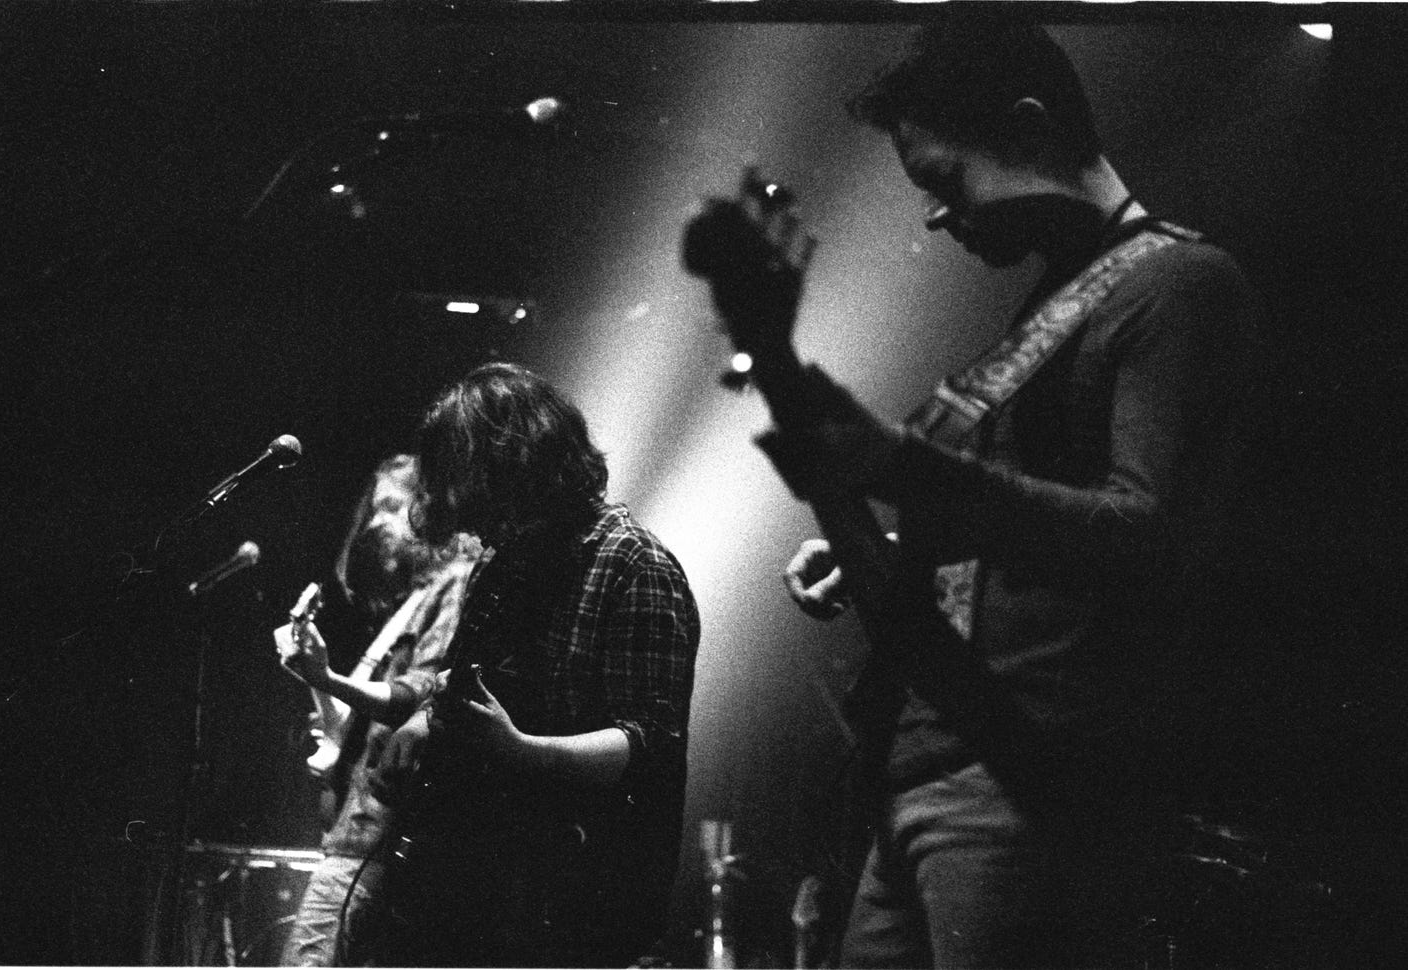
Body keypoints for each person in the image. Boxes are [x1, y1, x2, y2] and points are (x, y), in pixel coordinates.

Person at [742, 14, 1256, 968]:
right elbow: (1024, 537)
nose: (936, 217)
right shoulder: (1049, 306)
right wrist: (898, 552)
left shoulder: (1181, 285)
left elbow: (1147, 532)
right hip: (925, 769)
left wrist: (903, 468)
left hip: (1024, 783)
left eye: (946, 180)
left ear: (1029, 129)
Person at [367, 361, 700, 968]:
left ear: (513, 465)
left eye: (464, 482)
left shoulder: (635, 565)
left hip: (575, 908)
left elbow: (645, 746)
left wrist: (519, 749)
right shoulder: (503, 565)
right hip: (481, 895)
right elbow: (473, 678)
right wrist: (424, 721)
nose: (463, 513)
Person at [274, 454, 478, 967]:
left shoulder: (454, 583)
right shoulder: (410, 603)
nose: (373, 523)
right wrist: (316, 677)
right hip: (352, 832)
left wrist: (327, 678)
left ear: (428, 508)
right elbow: (346, 733)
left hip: (375, 838)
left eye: (390, 506)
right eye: (372, 510)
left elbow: (418, 697)